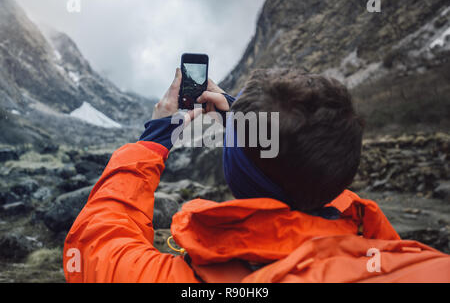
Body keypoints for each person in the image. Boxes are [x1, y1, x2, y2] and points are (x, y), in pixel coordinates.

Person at [63, 68, 450, 283]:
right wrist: (258, 126)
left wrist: (155, 137)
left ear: (237, 173)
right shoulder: (421, 262)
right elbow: (310, 183)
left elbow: (97, 242)